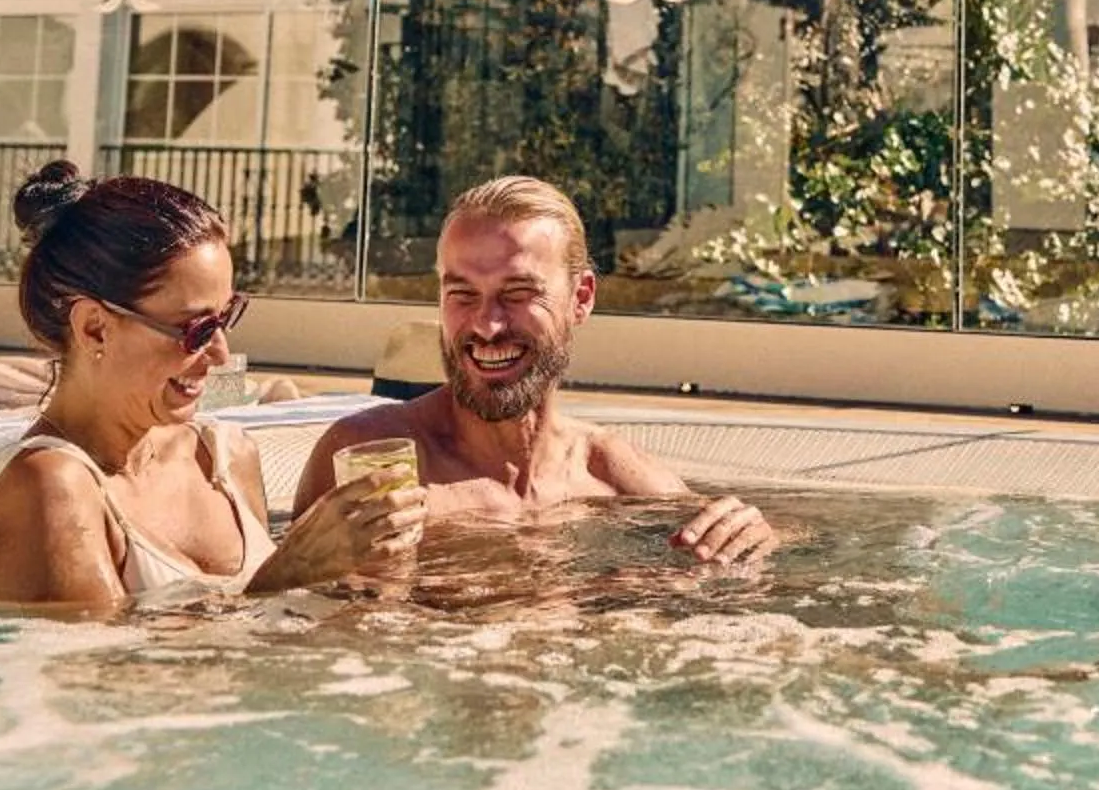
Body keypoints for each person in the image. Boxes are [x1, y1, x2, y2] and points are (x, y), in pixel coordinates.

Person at [0, 161, 425, 608]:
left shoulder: (224, 457)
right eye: (196, 330)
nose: (221, 353)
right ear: (95, 328)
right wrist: (292, 571)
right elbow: (100, 665)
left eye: (226, 318)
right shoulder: (45, 488)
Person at [292, 175, 776, 564]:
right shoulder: (372, 460)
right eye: (462, 294)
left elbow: (734, 546)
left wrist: (757, 536)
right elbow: (285, 608)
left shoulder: (611, 475)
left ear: (581, 298)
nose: (487, 325)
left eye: (518, 293)